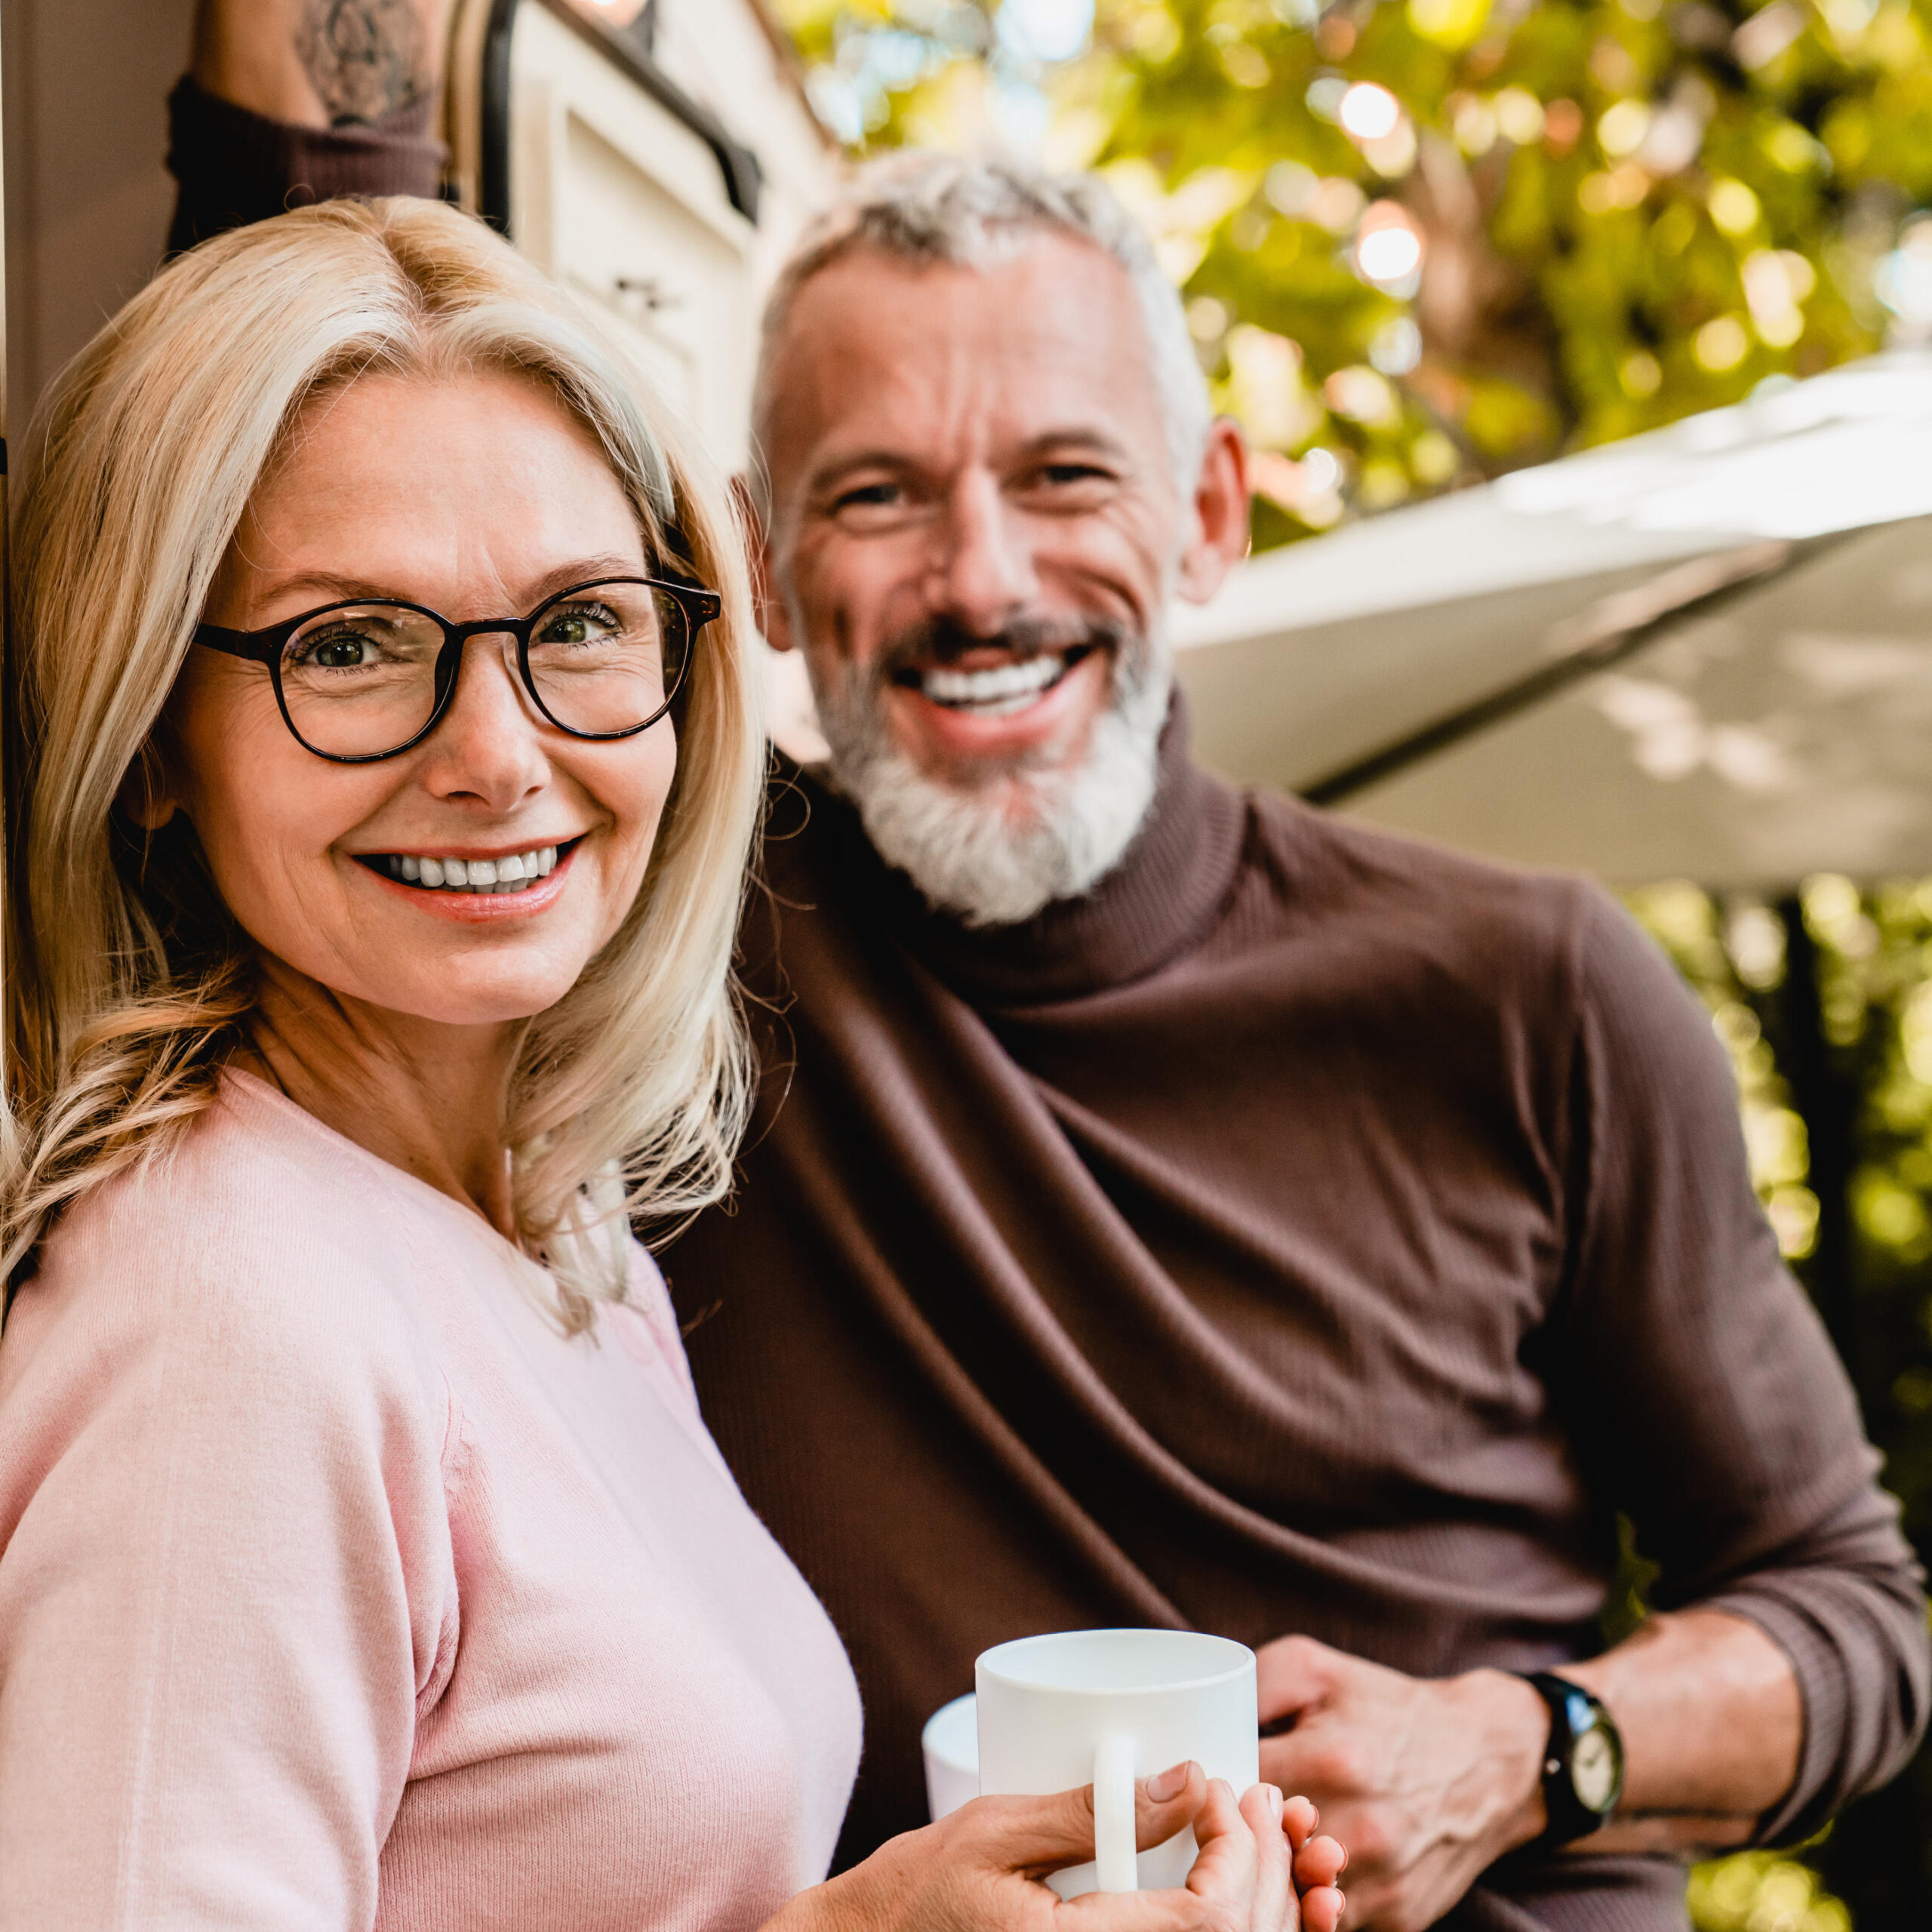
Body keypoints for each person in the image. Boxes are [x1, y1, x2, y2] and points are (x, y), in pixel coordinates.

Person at [155, 13, 1931, 1928]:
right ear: (756, 568)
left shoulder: (1533, 992)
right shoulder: (639, 924)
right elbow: (331, 464)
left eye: (1066, 475)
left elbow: (1850, 1614)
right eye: (876, 494)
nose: (978, 577)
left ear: (1208, 515)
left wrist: (1527, 1743)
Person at [0, 194, 1344, 1932]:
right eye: (346, 643)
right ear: (152, 738)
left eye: (575, 623)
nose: (498, 755)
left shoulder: (553, 1234)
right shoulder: (229, 1334)